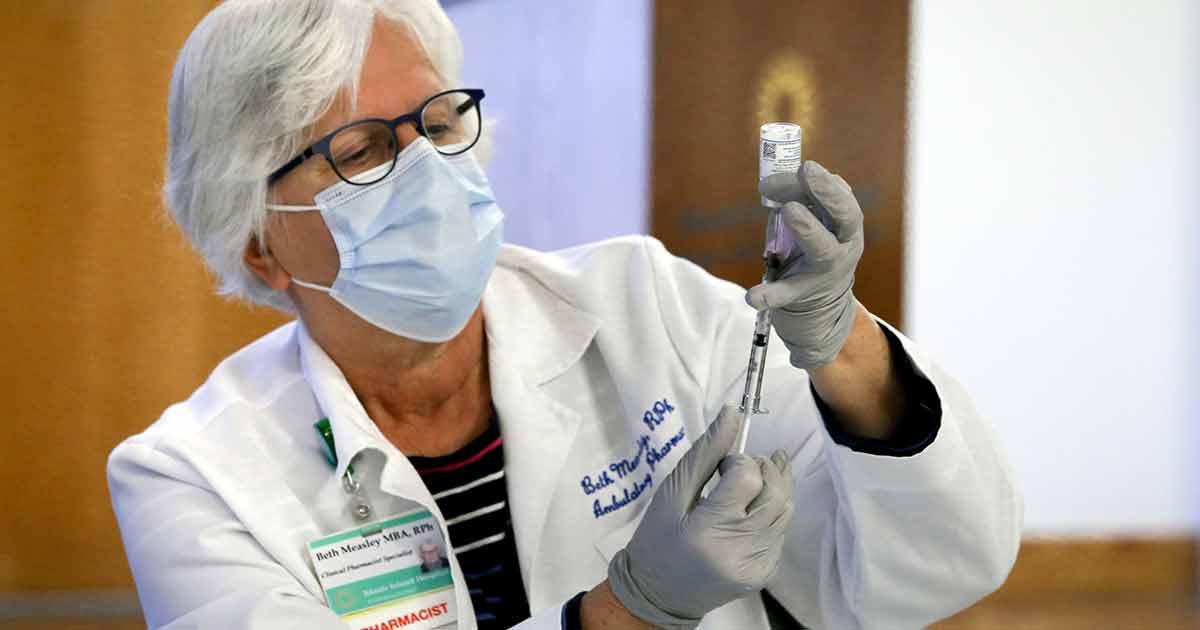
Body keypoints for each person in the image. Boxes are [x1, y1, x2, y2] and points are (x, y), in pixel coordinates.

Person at [106, 1, 1022, 628]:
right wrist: (632, 610)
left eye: (438, 123)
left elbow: (932, 570)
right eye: (361, 150)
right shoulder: (194, 477)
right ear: (258, 242)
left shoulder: (645, 305)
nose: (427, 170)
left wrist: (844, 347)